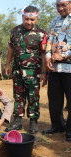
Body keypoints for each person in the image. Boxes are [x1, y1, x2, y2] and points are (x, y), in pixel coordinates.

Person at [4, 6, 47, 134]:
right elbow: (11, 48)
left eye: (32, 19)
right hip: (17, 70)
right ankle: (17, 121)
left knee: (33, 97)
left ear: (36, 18)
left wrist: (44, 72)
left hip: (33, 72)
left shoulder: (41, 33)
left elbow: (44, 54)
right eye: (26, 19)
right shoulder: (15, 31)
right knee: (18, 96)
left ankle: (33, 122)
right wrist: (7, 65)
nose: (29, 22)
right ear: (22, 17)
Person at [42, 0, 71, 141]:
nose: (60, 8)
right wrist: (48, 56)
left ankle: (70, 130)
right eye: (58, 5)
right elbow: (49, 40)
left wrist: (63, 55)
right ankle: (58, 125)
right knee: (54, 99)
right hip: (54, 68)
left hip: (69, 68)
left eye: (64, 5)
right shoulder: (55, 20)